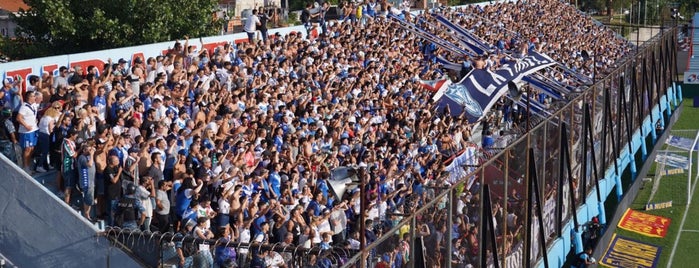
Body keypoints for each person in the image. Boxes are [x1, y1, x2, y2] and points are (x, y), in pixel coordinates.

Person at [17, 90, 39, 174]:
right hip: (26, 132)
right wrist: (26, 126)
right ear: (29, 97)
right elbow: (19, 118)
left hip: (34, 129)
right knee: (27, 149)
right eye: (33, 96)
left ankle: (28, 165)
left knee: (32, 148)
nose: (35, 97)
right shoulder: (24, 107)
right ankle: (25, 167)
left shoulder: (33, 105)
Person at [77, 143, 97, 221]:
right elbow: (90, 164)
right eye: (88, 150)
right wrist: (92, 155)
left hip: (91, 181)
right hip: (86, 181)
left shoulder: (88, 157)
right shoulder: (82, 158)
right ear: (84, 150)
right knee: (87, 199)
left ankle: (88, 214)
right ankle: (86, 215)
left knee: (90, 199)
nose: (90, 151)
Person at [61, 129, 79, 204]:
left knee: (71, 186)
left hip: (72, 166)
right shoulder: (66, 142)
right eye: (75, 135)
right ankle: (66, 204)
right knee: (68, 186)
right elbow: (74, 155)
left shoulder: (72, 142)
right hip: (67, 167)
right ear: (71, 135)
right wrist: (81, 149)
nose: (76, 136)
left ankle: (69, 203)